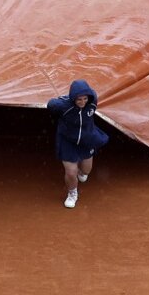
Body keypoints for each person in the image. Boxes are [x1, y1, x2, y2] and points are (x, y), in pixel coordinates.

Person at [47, 80, 109, 208]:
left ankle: (82, 172)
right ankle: (72, 193)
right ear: (73, 98)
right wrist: (64, 99)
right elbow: (50, 104)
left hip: (87, 139)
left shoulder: (93, 101)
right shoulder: (63, 106)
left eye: (85, 98)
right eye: (79, 99)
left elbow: (93, 94)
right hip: (68, 141)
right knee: (71, 172)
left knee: (86, 171)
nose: (82, 102)